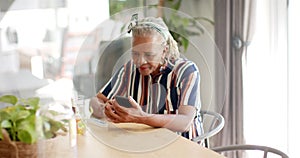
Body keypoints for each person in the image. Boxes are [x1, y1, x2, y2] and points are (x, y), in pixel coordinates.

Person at [90, 14, 203, 140]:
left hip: (184, 146)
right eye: (135, 53)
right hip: (147, 141)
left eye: (149, 54)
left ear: (164, 51)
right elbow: (97, 100)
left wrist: (140, 117)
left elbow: (185, 122)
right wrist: (104, 109)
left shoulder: (186, 72)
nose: (140, 61)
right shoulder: (129, 69)